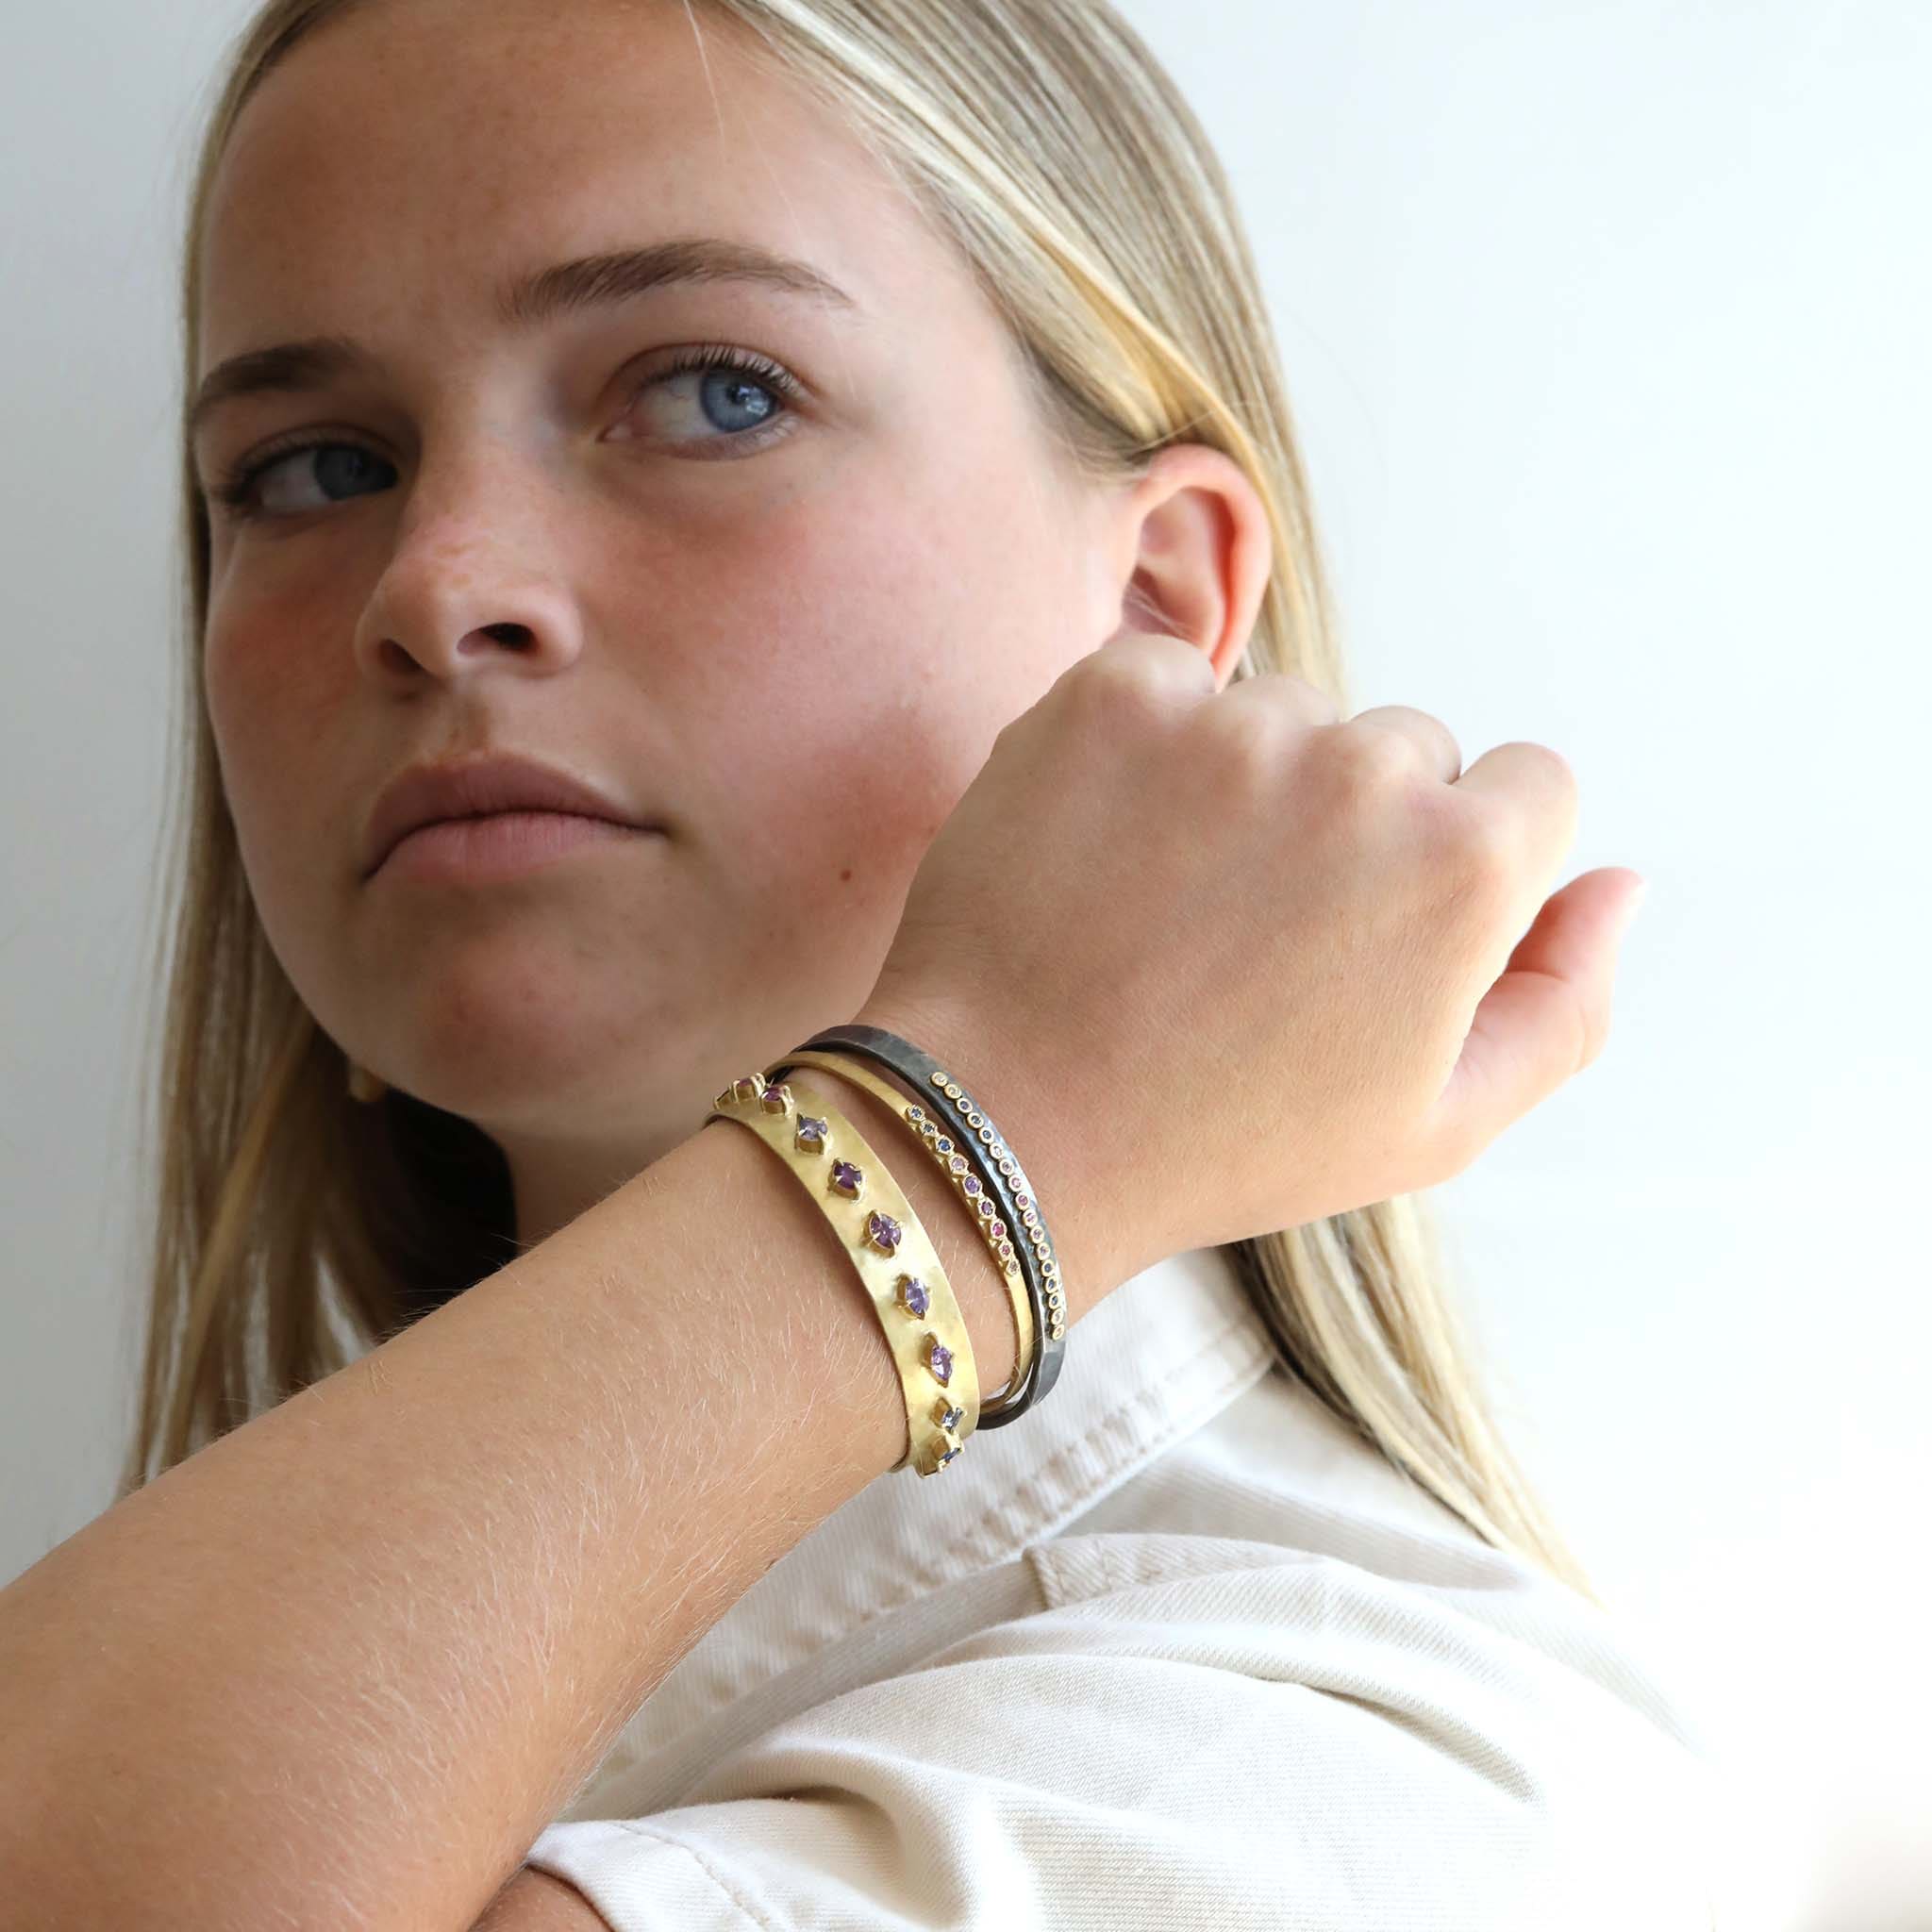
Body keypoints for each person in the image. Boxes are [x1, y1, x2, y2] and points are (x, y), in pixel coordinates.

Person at [0, 0, 1725, 1925]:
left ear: (1154, 607)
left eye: (711, 390)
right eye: (314, 467)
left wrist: (965, 1142)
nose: (432, 582)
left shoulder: (1355, 1792)